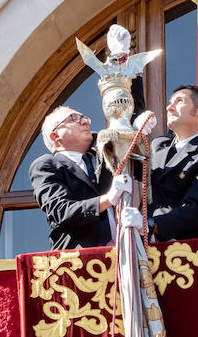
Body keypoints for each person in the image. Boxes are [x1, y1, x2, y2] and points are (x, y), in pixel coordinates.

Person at [29, 105, 131, 250]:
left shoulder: (102, 156)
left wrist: (132, 131)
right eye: (74, 119)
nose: (85, 122)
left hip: (124, 252)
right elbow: (61, 211)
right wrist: (109, 198)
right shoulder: (47, 165)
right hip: (78, 260)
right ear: (55, 136)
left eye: (85, 118)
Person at [148, 84, 198, 241]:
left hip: (194, 251)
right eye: (169, 103)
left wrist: (151, 225)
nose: (168, 108)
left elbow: (197, 208)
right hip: (149, 248)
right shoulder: (157, 146)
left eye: (179, 101)